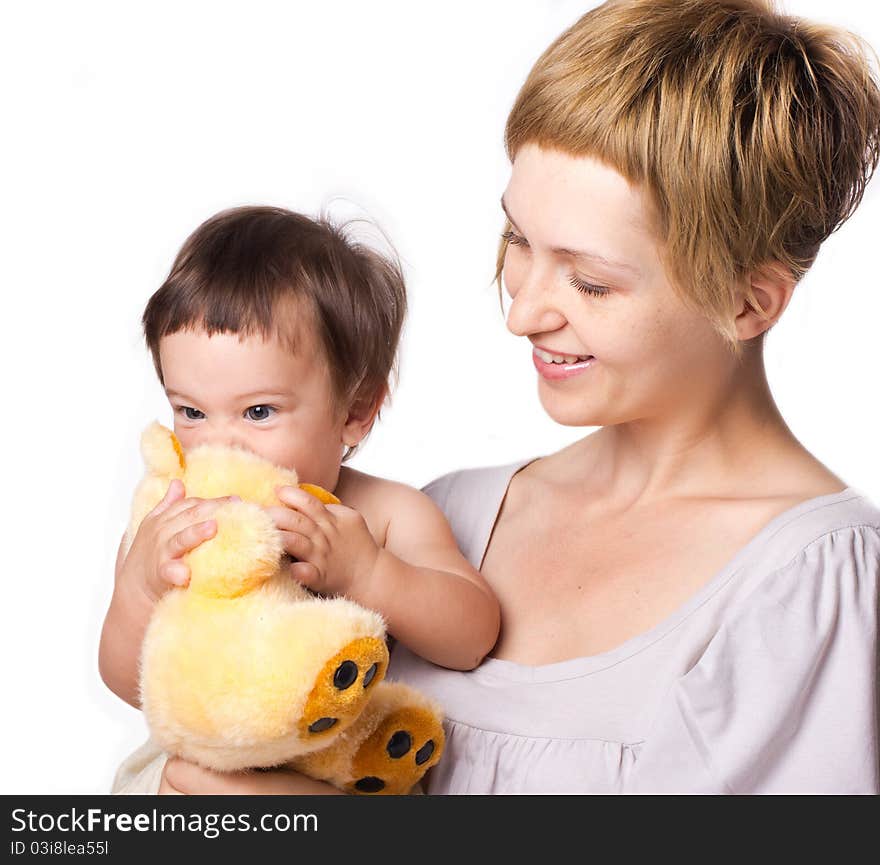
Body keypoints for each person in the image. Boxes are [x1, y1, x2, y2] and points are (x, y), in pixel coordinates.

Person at [148, 0, 880, 795]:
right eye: (517, 242)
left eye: (591, 280)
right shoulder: (439, 521)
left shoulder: (812, 590)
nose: (522, 312)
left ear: (748, 304)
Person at [100, 205, 500, 795]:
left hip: (336, 772)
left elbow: (472, 636)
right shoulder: (171, 520)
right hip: (206, 760)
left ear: (354, 412)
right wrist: (140, 587)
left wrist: (370, 571)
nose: (219, 440)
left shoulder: (382, 516)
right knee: (177, 786)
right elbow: (126, 681)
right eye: (191, 411)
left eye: (258, 412)